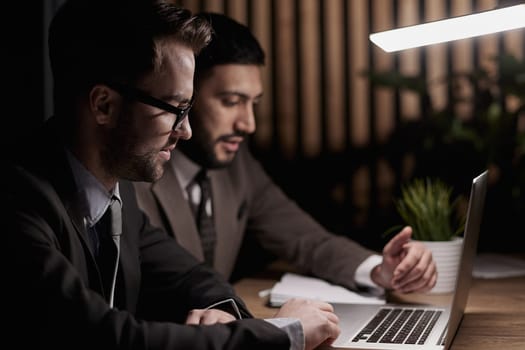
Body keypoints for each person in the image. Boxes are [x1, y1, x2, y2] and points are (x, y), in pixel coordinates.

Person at [3, 1, 341, 349]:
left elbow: (193, 277)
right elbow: (105, 336)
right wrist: (282, 333)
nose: (187, 130)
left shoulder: (116, 190)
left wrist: (219, 314)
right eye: (176, 109)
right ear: (103, 105)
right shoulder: (16, 201)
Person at [134, 12, 437, 295]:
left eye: (253, 103)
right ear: (186, 95)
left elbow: (307, 240)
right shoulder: (133, 171)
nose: (248, 124)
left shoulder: (238, 166)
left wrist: (380, 270)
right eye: (230, 101)